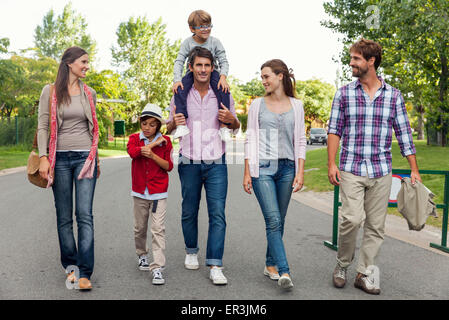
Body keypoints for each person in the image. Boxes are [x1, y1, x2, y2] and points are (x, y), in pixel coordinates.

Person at [327, 38, 421, 295]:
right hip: (351, 166)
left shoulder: (394, 95)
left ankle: (364, 273)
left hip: (381, 170)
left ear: (371, 61)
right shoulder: (344, 93)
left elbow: (404, 134)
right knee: (351, 219)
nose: (351, 63)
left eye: (356, 58)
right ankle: (342, 264)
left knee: (376, 226)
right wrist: (331, 163)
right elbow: (334, 130)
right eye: (352, 58)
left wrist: (414, 168)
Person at [166, 47, 240, 285]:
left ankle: (216, 264)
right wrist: (172, 124)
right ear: (191, 68)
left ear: (213, 68)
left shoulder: (223, 93)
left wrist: (233, 121)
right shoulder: (180, 94)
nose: (203, 70)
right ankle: (191, 250)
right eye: (199, 65)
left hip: (216, 160)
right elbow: (167, 128)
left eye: (207, 66)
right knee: (189, 210)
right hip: (188, 159)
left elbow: (235, 126)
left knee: (217, 213)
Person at [37, 46, 99, 290]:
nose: (86, 65)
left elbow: (93, 128)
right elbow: (43, 125)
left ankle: (85, 272)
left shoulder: (89, 93)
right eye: (83, 61)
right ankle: (71, 267)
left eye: (87, 62)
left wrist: (95, 158)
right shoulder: (50, 92)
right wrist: (44, 157)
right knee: (64, 217)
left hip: (85, 157)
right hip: (59, 159)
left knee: (84, 215)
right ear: (69, 63)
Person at [243, 59, 306, 290]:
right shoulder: (257, 105)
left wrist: (300, 171)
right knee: (273, 219)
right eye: (262, 77)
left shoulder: (296, 106)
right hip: (263, 169)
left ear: (280, 76)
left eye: (266, 76)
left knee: (280, 219)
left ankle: (270, 264)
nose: (263, 81)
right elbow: (250, 139)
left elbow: (300, 140)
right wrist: (247, 172)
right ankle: (284, 270)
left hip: (288, 168)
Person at [127, 103, 174, 285]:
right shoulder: (134, 139)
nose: (147, 128)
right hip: (139, 192)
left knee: (157, 229)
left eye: (152, 125)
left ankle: (157, 268)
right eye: (144, 123)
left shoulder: (166, 142)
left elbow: (168, 166)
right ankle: (142, 254)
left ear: (158, 126)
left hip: (158, 192)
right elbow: (133, 153)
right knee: (140, 228)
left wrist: (154, 154)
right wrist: (154, 144)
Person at [171, 9, 231, 141]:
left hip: (213, 73)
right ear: (192, 28)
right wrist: (176, 80)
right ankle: (182, 125)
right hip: (192, 73)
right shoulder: (187, 43)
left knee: (224, 89)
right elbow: (179, 61)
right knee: (179, 89)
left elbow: (223, 60)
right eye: (202, 27)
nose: (206, 29)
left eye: (208, 25)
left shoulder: (215, 42)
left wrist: (223, 77)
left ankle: (223, 127)